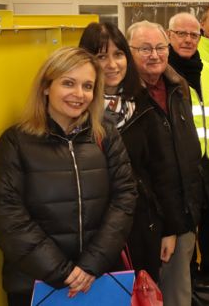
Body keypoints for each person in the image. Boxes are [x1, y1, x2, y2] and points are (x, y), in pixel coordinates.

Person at [0, 47, 137, 306]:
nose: (79, 95)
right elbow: (7, 215)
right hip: (36, 284)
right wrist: (61, 271)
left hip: (97, 280)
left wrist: (91, 264)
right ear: (46, 86)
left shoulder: (105, 136)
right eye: (68, 83)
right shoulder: (16, 142)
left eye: (88, 86)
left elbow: (125, 197)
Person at [78, 22, 177, 284]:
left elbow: (161, 170)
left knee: (141, 293)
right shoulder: (76, 111)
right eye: (101, 56)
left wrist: (169, 229)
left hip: (141, 224)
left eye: (118, 54)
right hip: (93, 231)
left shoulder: (143, 104)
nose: (112, 64)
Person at [126, 20, 205, 306]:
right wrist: (167, 225)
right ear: (129, 52)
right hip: (147, 222)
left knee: (177, 291)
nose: (154, 55)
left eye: (160, 47)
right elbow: (142, 172)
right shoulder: (126, 100)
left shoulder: (177, 88)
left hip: (183, 212)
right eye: (144, 48)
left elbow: (185, 153)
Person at [166, 12, 209, 297]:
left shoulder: (207, 68)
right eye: (181, 34)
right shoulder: (163, 70)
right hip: (180, 161)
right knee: (186, 223)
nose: (188, 40)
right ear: (169, 36)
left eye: (193, 35)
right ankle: (190, 277)